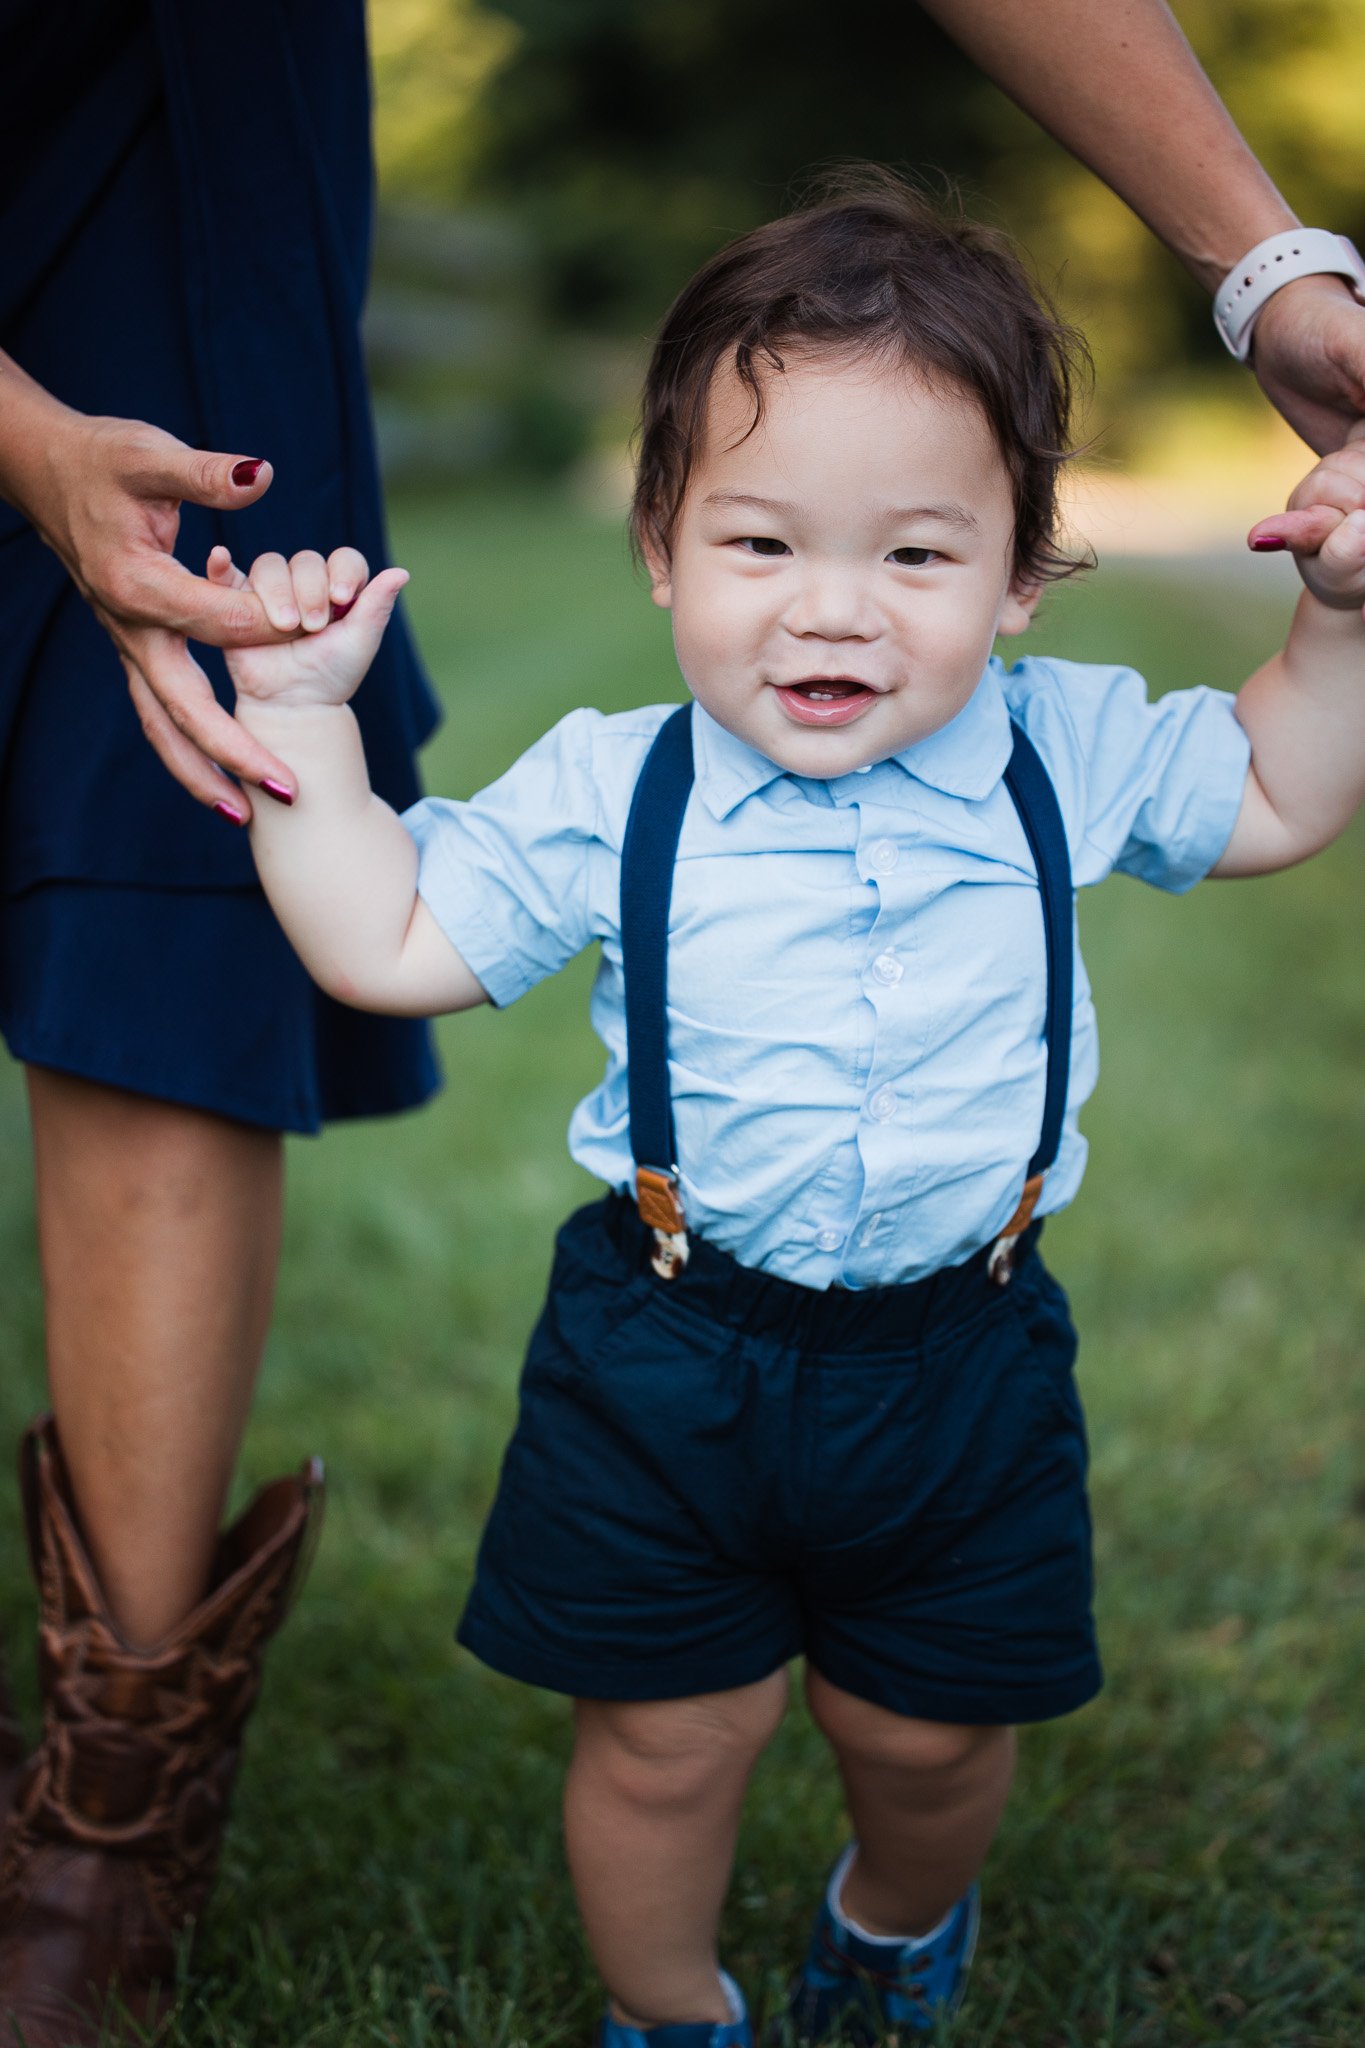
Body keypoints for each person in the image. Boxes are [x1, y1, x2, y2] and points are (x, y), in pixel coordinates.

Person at [1, 0, 1362, 2039]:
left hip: (957, 1357)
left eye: (914, 553)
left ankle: (890, 1925)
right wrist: (300, 733)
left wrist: (1333, 623)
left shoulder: (1049, 751)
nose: (831, 607)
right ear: (656, 553)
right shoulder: (605, 786)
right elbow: (381, 939)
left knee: (928, 1750)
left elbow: (1266, 791)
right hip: (667, 1351)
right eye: (758, 544)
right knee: (663, 1742)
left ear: (1014, 582)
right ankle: (671, 2009)